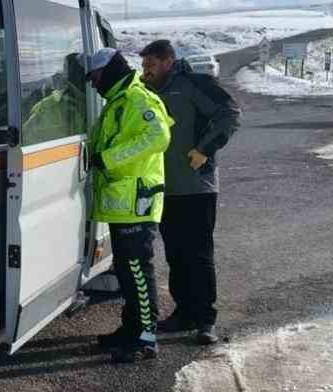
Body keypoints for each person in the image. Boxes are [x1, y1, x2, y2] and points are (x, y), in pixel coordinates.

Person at [139, 39, 241, 346]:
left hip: (197, 186)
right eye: (144, 66)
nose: (146, 71)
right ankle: (183, 311)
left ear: (168, 61)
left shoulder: (194, 84)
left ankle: (205, 319)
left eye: (151, 65)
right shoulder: (148, 91)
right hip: (165, 187)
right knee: (176, 254)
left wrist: (204, 149)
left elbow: (229, 113)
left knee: (198, 254)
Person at [83, 48, 173, 363]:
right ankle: (131, 327)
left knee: (137, 269)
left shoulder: (137, 99)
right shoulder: (117, 103)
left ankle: (146, 338)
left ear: (109, 72)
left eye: (96, 77)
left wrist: (107, 159)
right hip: (123, 202)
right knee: (125, 269)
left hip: (138, 201)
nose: (94, 84)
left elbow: (158, 136)